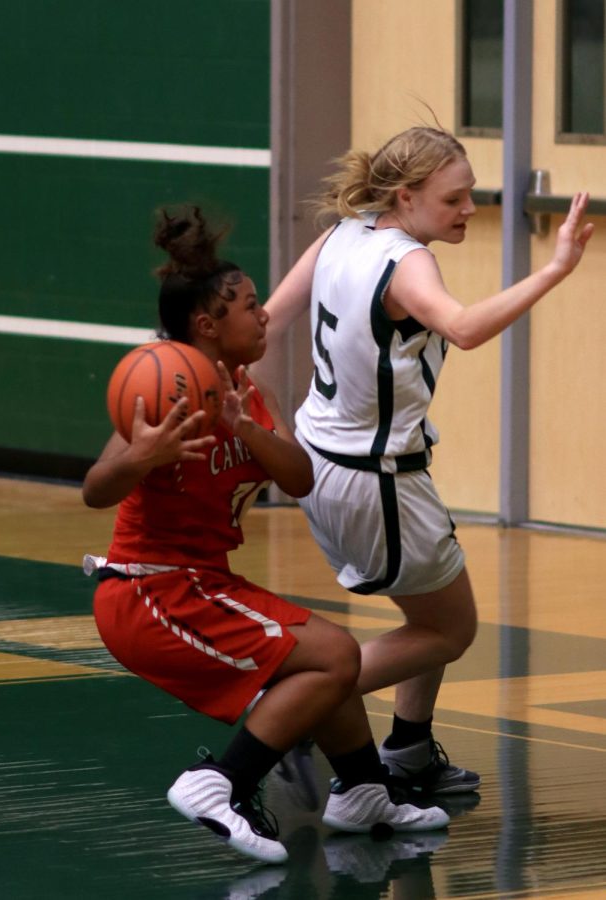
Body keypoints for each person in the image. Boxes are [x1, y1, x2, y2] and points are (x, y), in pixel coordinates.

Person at [82, 206, 450, 867]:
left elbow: (301, 477)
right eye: (250, 307)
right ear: (207, 326)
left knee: (325, 660)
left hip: (205, 581)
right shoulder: (171, 387)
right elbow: (96, 489)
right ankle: (221, 783)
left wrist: (247, 428)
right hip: (151, 593)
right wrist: (138, 457)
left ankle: (363, 790)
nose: (263, 317)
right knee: (334, 656)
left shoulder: (248, 392)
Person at [254, 126, 593, 798]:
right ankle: (288, 707)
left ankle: (407, 747)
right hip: (371, 476)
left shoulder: (337, 236)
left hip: (318, 456)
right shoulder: (408, 264)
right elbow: (462, 329)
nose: (469, 208)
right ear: (405, 197)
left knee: (436, 597)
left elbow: (263, 325)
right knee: (449, 629)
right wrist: (553, 269)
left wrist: (250, 416)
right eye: (454, 198)